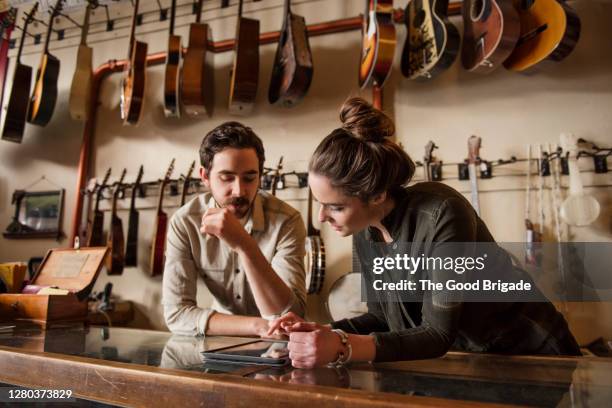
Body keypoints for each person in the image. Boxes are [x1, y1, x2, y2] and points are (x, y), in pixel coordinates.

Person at [269, 98, 581, 368]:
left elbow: (436, 333)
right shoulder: (366, 232)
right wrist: (317, 332)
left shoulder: (442, 212)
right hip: (478, 358)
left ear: (376, 195)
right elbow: (382, 320)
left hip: (533, 352)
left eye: (334, 207)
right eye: (320, 204)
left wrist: (340, 346)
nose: (322, 217)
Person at [163, 122, 306, 337]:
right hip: (220, 339)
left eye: (249, 178)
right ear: (205, 177)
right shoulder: (184, 223)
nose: (239, 191)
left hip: (279, 345)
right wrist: (257, 326)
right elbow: (177, 314)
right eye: (226, 177)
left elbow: (290, 315)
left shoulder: (287, 221)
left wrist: (245, 245)